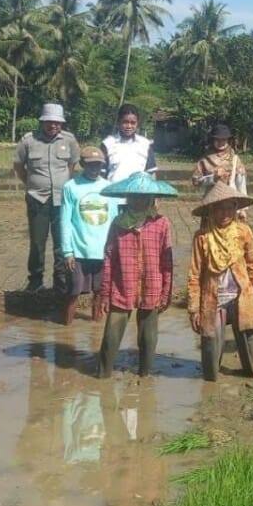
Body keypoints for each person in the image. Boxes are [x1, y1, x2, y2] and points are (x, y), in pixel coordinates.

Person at [186, 183, 253, 381]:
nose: (225, 213)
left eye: (230, 207)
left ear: (235, 209)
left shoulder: (244, 232)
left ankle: (252, 376)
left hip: (241, 296)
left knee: (248, 339)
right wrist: (194, 309)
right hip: (213, 298)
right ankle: (210, 382)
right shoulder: (202, 237)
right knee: (210, 342)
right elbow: (194, 274)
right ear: (211, 210)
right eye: (220, 207)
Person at [94, 172, 178, 378]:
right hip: (122, 286)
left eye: (143, 196)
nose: (138, 200)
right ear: (127, 198)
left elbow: (167, 261)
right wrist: (105, 293)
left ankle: (145, 374)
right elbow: (108, 258)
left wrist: (166, 292)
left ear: (151, 198)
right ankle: (103, 375)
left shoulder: (161, 223)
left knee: (148, 337)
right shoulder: (118, 224)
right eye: (134, 196)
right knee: (111, 335)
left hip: (152, 286)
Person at [13, 103, 81, 294]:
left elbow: (72, 164)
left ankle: (60, 282)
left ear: (62, 123)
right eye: (50, 122)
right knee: (37, 242)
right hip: (37, 199)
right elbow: (18, 165)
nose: (54, 126)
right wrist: (31, 184)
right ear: (42, 121)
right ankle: (35, 280)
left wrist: (62, 183)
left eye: (57, 122)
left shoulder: (69, 140)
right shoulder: (29, 141)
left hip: (62, 201)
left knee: (62, 242)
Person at [60, 146, 116, 325]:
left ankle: (96, 327)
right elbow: (65, 221)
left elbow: (114, 220)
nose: (94, 168)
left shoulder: (109, 188)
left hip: (102, 251)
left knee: (100, 291)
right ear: (82, 164)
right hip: (78, 251)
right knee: (73, 292)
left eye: (98, 165)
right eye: (90, 165)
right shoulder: (71, 187)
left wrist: (114, 248)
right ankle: (66, 328)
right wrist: (68, 251)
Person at [101, 104, 157, 184]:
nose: (129, 126)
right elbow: (101, 174)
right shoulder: (107, 144)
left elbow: (151, 173)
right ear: (118, 122)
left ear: (137, 123)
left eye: (133, 123)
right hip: (112, 194)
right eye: (125, 122)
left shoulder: (145, 144)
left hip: (139, 193)